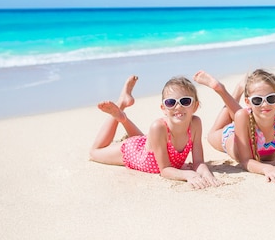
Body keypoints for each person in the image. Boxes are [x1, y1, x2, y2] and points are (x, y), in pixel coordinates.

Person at [89, 75, 222, 189]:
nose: (178, 106)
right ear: (163, 108)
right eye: (171, 102)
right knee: (95, 152)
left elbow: (198, 162)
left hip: (152, 145)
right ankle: (121, 106)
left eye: (185, 101)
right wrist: (187, 175)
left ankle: (124, 118)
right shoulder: (158, 127)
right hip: (136, 153)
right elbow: (164, 170)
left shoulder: (195, 124)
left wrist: (207, 175)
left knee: (147, 141)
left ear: (195, 106)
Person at [194, 69, 275, 183]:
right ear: (248, 102)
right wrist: (266, 168)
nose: (265, 104)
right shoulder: (242, 116)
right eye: (257, 100)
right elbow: (246, 161)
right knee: (212, 135)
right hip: (230, 137)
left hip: (250, 122)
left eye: (271, 98)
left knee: (249, 114)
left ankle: (242, 92)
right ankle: (222, 90)